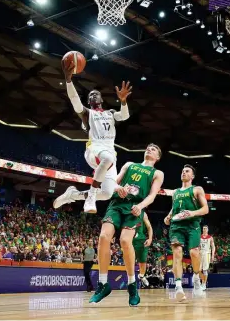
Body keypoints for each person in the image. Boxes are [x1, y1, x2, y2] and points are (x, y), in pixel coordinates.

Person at [89, 144, 164, 306]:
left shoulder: (157, 173)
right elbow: (113, 183)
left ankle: (132, 285)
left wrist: (141, 206)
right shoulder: (130, 165)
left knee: (124, 241)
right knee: (103, 237)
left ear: (157, 157)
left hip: (135, 208)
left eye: (154, 149)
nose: (149, 149)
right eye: (148, 148)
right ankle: (103, 284)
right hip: (116, 204)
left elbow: (152, 195)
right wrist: (118, 188)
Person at [53, 60, 132, 214]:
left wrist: (123, 101)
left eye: (96, 94)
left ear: (102, 100)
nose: (94, 95)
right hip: (94, 149)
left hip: (109, 153)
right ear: (89, 102)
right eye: (91, 96)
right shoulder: (88, 114)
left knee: (108, 193)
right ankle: (90, 198)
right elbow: (75, 100)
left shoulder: (110, 113)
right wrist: (68, 80)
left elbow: (124, 115)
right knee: (107, 159)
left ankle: (73, 195)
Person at [164, 164, 209, 301]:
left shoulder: (196, 189)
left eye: (187, 171)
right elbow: (174, 209)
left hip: (192, 225)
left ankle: (196, 278)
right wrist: (169, 216)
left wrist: (192, 213)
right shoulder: (175, 192)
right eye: (182, 171)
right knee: (177, 253)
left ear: (192, 176)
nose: (184, 172)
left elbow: (205, 209)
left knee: (194, 253)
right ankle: (178, 287)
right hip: (177, 226)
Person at [133, 211, 153, 287]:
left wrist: (150, 239)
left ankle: (141, 276)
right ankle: (131, 281)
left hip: (141, 240)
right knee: (131, 260)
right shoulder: (126, 210)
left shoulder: (143, 213)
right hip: (130, 239)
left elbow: (149, 227)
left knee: (143, 261)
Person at [199, 225, 215, 291]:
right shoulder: (199, 237)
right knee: (199, 270)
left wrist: (213, 255)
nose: (204, 229)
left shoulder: (210, 237)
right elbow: (198, 246)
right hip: (200, 253)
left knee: (205, 270)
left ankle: (204, 284)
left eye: (206, 228)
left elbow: (213, 247)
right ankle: (201, 282)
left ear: (208, 230)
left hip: (207, 253)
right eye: (203, 228)